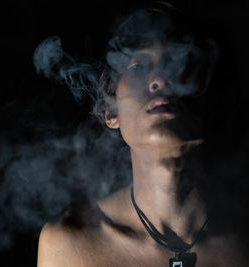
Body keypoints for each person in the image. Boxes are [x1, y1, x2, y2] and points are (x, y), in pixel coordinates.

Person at [36, 2, 249, 267]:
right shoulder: (70, 242)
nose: (160, 77)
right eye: (137, 67)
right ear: (110, 112)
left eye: (180, 62)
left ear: (211, 101)